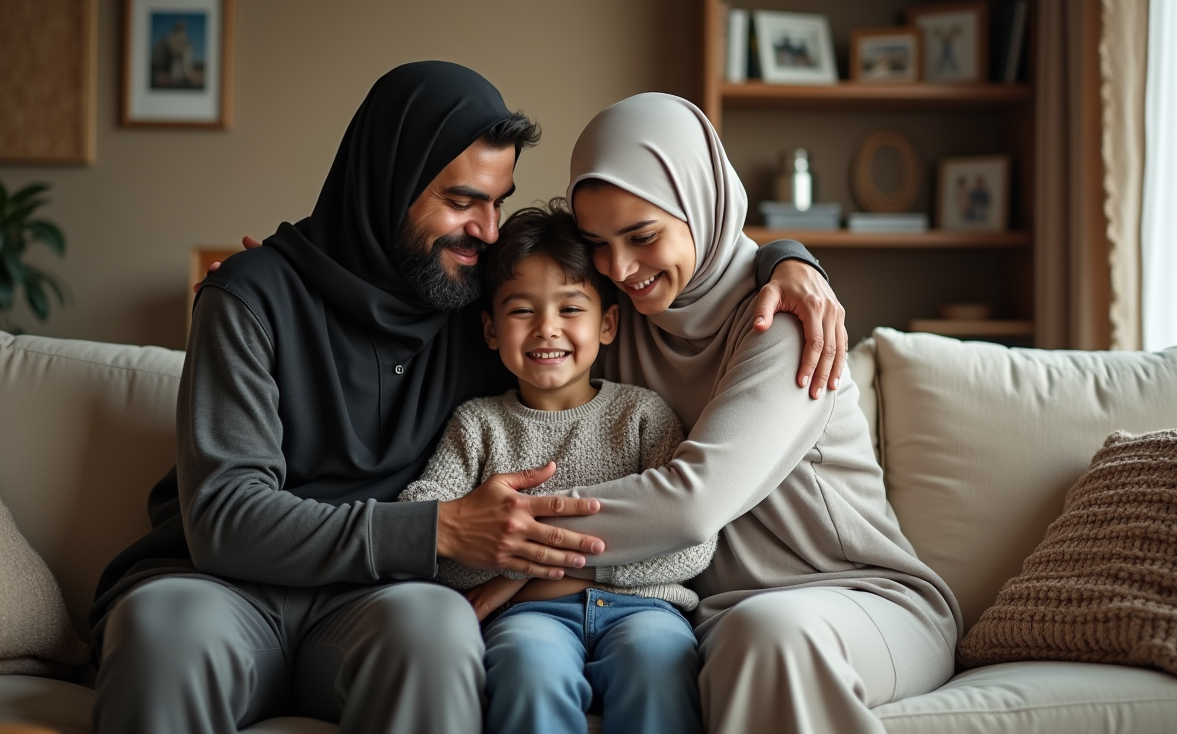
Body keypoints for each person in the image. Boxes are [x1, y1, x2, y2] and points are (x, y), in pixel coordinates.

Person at [89, 62, 845, 734]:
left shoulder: (475, 308)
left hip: (377, 600)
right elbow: (225, 518)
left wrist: (789, 257)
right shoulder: (252, 299)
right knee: (164, 630)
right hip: (225, 590)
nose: (484, 230)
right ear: (387, 185)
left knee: (438, 633)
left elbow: (616, 283)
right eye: (461, 201)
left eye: (496, 202)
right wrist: (441, 530)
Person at [559, 93, 963, 734]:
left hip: (863, 601)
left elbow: (691, 506)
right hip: (719, 614)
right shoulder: (614, 320)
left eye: (642, 236)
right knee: (739, 634)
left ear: (701, 203)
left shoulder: (785, 322)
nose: (621, 269)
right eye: (597, 246)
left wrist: (511, 531)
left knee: (766, 633)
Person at [399, 200, 711, 734]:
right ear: (492, 330)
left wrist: (517, 572)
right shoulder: (478, 425)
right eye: (522, 311)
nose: (547, 328)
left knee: (658, 665)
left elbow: (692, 541)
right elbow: (427, 530)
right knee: (527, 669)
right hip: (527, 621)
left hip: (647, 613)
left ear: (608, 323)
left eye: (570, 309)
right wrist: (517, 587)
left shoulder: (642, 415)